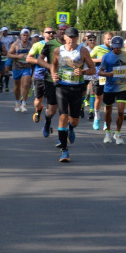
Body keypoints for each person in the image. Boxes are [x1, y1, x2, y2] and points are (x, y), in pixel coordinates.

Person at [48, 27, 95, 163]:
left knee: (74, 120)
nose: (71, 40)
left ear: (77, 38)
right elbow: (53, 65)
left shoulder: (83, 51)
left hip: (77, 88)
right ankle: (64, 150)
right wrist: (54, 75)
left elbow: (92, 69)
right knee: (62, 116)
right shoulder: (58, 51)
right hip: (62, 87)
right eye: (69, 37)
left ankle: (71, 128)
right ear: (65, 37)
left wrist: (83, 73)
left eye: (74, 37)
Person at [96, 35, 126, 145]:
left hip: (122, 87)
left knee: (121, 111)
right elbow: (100, 72)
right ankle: (108, 132)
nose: (117, 49)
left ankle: (118, 133)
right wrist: (108, 74)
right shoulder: (107, 57)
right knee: (108, 111)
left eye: (119, 47)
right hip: (109, 87)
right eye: (115, 47)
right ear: (112, 46)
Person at [27, 27, 60, 135]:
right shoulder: (38, 45)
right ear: (43, 34)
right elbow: (29, 58)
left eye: (53, 32)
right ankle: (38, 110)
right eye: (48, 32)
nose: (51, 34)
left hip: (53, 78)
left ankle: (48, 122)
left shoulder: (58, 45)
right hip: (40, 76)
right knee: (38, 100)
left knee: (51, 104)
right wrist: (41, 61)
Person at [90, 32, 113, 130]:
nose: (110, 41)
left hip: (110, 77)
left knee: (108, 100)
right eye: (108, 39)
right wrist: (99, 60)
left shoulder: (115, 50)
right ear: (104, 40)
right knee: (99, 98)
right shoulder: (97, 48)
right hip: (99, 76)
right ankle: (97, 116)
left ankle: (106, 121)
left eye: (111, 39)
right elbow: (89, 59)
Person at [7, 28, 34, 112]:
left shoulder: (32, 45)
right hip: (17, 67)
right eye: (24, 35)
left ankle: (24, 103)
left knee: (26, 84)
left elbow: (36, 54)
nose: (25, 37)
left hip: (27, 67)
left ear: (29, 36)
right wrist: (18, 56)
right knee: (17, 87)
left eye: (27, 35)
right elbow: (9, 54)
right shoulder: (16, 44)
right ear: (21, 36)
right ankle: (17, 102)